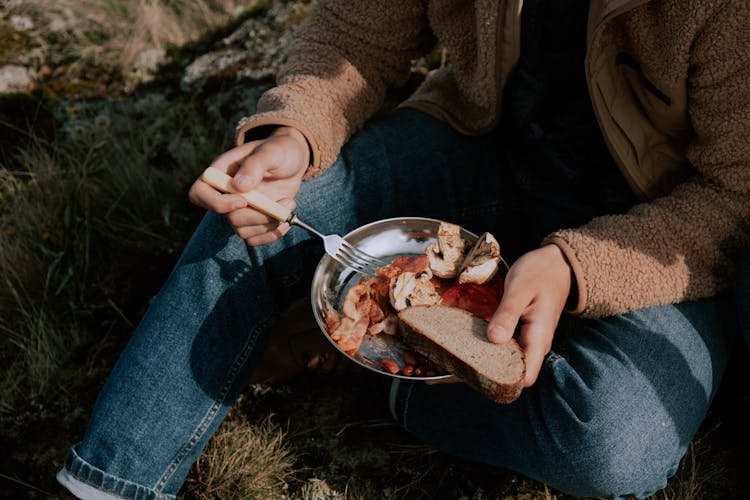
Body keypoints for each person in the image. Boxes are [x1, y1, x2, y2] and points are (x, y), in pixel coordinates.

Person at [57, 0, 750, 498]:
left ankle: (384, 368)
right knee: (268, 203)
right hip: (481, 151)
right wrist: (295, 132)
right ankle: (110, 482)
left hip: (656, 227)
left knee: (610, 447)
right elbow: (356, 33)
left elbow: (732, 194)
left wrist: (577, 265)